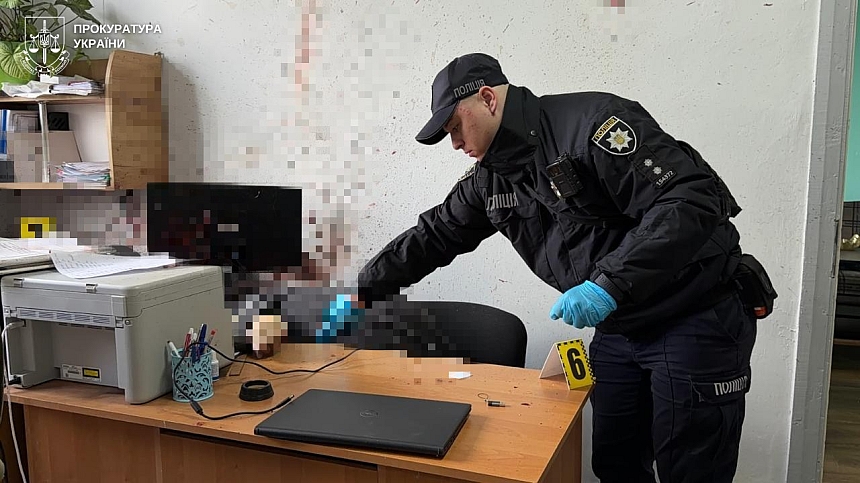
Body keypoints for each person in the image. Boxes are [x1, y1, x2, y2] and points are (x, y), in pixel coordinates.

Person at [328, 52, 769, 483]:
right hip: (621, 326)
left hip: (694, 315)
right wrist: (362, 292)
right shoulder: (491, 178)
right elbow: (434, 235)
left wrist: (607, 284)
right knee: (615, 465)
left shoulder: (594, 124)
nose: (456, 143)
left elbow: (690, 199)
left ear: (488, 99)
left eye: (455, 127)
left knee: (691, 471)